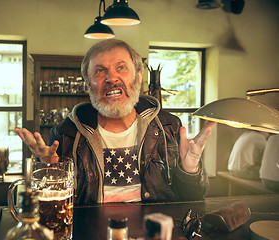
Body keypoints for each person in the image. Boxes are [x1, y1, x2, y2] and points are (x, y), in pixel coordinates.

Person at [15, 39, 215, 206]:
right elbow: (55, 208)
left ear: (138, 76)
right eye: (100, 71)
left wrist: (189, 170)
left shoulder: (168, 127)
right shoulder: (66, 134)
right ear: (88, 85)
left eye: (121, 67)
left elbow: (194, 198)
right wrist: (49, 172)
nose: (111, 78)